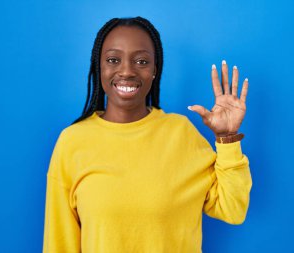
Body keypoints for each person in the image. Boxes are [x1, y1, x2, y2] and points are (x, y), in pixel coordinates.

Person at [42, 16, 252, 253]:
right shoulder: (72, 142)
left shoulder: (180, 133)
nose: (127, 71)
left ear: (155, 70)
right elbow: (59, 243)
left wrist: (227, 137)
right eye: (113, 59)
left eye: (141, 61)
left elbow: (233, 209)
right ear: (98, 66)